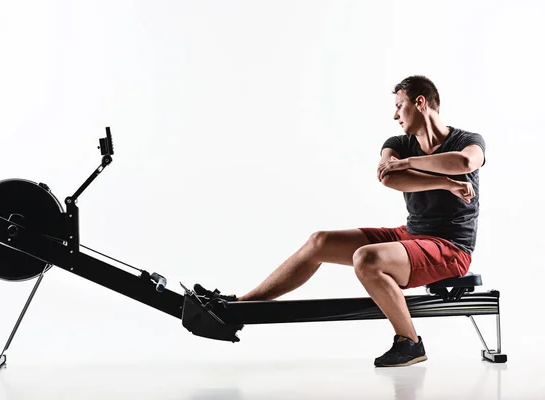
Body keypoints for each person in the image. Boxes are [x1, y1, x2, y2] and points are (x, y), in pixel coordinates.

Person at [195, 75, 486, 367]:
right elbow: (389, 176)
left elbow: (463, 162)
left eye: (400, 105)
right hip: (411, 235)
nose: (395, 114)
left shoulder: (467, 140)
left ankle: (409, 342)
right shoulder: (397, 142)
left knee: (367, 259)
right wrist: (446, 183)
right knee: (320, 241)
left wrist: (409, 163)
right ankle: (240, 306)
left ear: (420, 102)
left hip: (450, 248)